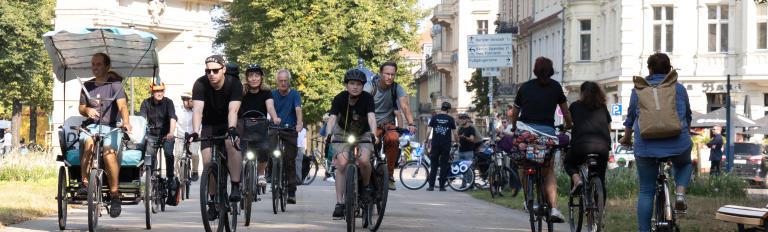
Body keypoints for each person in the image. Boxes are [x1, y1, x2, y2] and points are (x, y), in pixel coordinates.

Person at [619, 53, 693, 232]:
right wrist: (685, 133)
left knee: (646, 190)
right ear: (669, 69)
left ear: (649, 69)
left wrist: (627, 138)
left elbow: (630, 118)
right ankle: (680, 193)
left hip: (646, 146)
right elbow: (687, 115)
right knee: (685, 165)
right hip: (677, 143)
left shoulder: (638, 90)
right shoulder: (679, 88)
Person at [508, 56, 573, 223]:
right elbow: (565, 112)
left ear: (535, 71)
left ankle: (527, 197)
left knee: (524, 165)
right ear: (551, 71)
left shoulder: (525, 87)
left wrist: (514, 126)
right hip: (547, 134)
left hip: (525, 134)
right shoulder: (556, 87)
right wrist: (568, 125)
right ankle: (553, 208)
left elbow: (515, 113)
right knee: (548, 170)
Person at [188, 55, 244, 221]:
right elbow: (197, 110)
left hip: (230, 122)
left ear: (224, 70)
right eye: (208, 71)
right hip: (209, 124)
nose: (211, 74)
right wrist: (195, 131)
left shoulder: (234, 84)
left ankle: (234, 186)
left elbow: (233, 111)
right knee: (207, 160)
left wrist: (232, 129)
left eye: (215, 70)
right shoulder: (200, 84)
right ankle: (212, 201)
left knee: (230, 143)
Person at [78, 52, 133, 218]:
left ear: (107, 67)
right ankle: (85, 182)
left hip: (110, 127)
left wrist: (126, 121)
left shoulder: (115, 84)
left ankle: (115, 195)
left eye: (99, 64)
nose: (95, 67)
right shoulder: (87, 85)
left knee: (109, 154)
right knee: (88, 142)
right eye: (93, 64)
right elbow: (80, 108)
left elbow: (122, 106)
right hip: (92, 126)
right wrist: (87, 109)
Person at [326, 68, 378, 219]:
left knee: (363, 160)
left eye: (358, 84)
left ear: (363, 86)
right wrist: (329, 133)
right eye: (352, 83)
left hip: (363, 133)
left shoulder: (368, 98)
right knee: (342, 164)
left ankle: (367, 186)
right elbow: (332, 118)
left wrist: (374, 134)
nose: (355, 87)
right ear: (346, 85)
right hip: (343, 133)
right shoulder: (340, 98)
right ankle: (340, 203)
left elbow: (372, 118)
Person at [364, 61, 417, 190]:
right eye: (387, 74)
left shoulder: (396, 88)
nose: (390, 77)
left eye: (392, 74)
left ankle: (390, 175)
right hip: (371, 123)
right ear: (380, 73)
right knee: (368, 144)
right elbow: (362, 101)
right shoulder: (370, 86)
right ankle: (363, 172)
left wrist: (411, 123)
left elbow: (405, 106)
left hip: (388, 124)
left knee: (393, 140)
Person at [563, 81, 611, 197]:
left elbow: (567, 124)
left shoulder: (575, 106)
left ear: (582, 93)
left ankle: (576, 179)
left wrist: (567, 127)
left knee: (568, 162)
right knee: (600, 177)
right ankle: (599, 211)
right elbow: (609, 127)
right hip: (602, 147)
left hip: (581, 146)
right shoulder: (602, 107)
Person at [239, 64, 280, 188]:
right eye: (251, 76)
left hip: (260, 126)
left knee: (264, 147)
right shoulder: (242, 92)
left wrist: (274, 117)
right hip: (244, 126)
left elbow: (270, 107)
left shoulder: (266, 93)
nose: (254, 78)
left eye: (257, 75)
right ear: (247, 78)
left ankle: (261, 174)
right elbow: (236, 107)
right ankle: (240, 177)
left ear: (261, 77)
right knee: (238, 150)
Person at [139, 81, 178, 204]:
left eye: (161, 90)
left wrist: (171, 132)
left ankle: (171, 177)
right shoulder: (146, 103)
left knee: (168, 153)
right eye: (156, 91)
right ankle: (151, 177)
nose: (159, 93)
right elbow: (142, 120)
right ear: (152, 91)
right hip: (151, 134)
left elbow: (172, 117)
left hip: (166, 135)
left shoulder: (168, 102)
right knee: (150, 156)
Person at [271, 69, 304, 204]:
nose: (283, 83)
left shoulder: (295, 94)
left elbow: (298, 109)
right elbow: (268, 108)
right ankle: (271, 175)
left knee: (290, 159)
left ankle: (291, 191)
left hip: (290, 129)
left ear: (289, 81)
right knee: (269, 150)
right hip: (275, 128)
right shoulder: (272, 94)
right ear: (277, 81)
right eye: (281, 81)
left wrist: (299, 123)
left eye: (285, 81)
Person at [426, 102, 457, 191]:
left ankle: (431, 186)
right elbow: (454, 133)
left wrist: (426, 139)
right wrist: (457, 142)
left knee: (434, 165)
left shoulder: (434, 118)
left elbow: (428, 131)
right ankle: (442, 186)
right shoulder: (450, 119)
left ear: (441, 108)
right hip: (446, 145)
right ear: (448, 110)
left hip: (435, 144)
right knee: (444, 165)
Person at [175, 91, 200, 181]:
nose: (185, 102)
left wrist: (195, 135)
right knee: (177, 155)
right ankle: (176, 175)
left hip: (194, 137)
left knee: (194, 153)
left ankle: (194, 171)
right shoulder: (177, 110)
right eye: (184, 100)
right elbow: (174, 122)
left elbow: (199, 125)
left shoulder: (196, 111)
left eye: (188, 100)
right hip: (181, 136)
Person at [319, 113, 336, 183]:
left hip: (333, 143)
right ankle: (328, 174)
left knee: (332, 158)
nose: (326, 121)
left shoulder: (334, 124)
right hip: (328, 143)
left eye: (327, 119)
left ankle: (332, 174)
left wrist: (330, 138)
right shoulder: (326, 125)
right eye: (325, 120)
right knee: (327, 159)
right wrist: (312, 137)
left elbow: (334, 134)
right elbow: (321, 133)